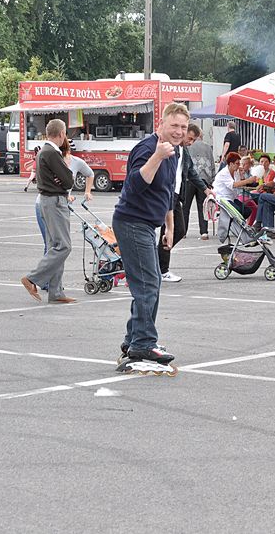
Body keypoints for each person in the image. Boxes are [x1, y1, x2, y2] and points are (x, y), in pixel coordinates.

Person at [113, 103, 190, 369]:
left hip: (149, 225)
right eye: (175, 126)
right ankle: (143, 344)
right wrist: (156, 157)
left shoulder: (175, 152)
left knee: (151, 281)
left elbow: (167, 191)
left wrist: (169, 227)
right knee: (147, 284)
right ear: (162, 123)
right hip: (132, 222)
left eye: (183, 127)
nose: (179, 131)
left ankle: (133, 338)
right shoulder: (148, 149)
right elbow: (134, 186)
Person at [20, 119, 76, 304]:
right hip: (55, 202)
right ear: (61, 134)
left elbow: (62, 179)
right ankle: (32, 278)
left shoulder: (43, 151)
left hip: (46, 200)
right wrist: (64, 177)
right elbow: (68, 180)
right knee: (64, 246)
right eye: (65, 134)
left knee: (55, 246)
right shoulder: (52, 152)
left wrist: (61, 178)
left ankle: (56, 292)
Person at [158, 125, 213, 283]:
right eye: (190, 138)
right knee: (169, 230)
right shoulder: (171, 148)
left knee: (179, 230)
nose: (191, 142)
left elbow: (191, 172)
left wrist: (205, 189)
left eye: (194, 140)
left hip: (175, 195)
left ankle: (157, 262)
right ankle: (161, 269)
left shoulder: (184, 151)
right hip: (166, 194)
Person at [34, 138, 94, 254]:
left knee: (60, 245)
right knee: (52, 245)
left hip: (62, 205)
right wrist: (65, 195)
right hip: (47, 203)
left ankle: (48, 272)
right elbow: (47, 183)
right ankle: (42, 272)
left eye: (65, 154)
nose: (63, 158)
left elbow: (90, 174)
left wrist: (87, 191)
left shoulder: (76, 162)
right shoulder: (51, 159)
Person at [182, 124, 214, 241]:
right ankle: (204, 232)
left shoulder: (186, 145)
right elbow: (211, 164)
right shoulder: (207, 147)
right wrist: (211, 181)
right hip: (203, 179)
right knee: (202, 206)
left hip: (188, 179)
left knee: (186, 206)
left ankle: (183, 231)